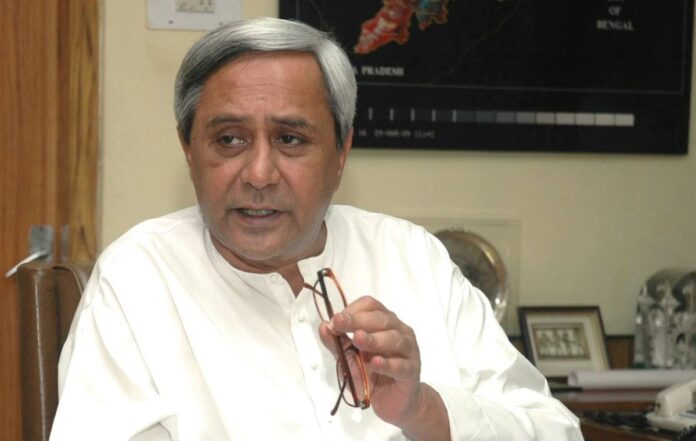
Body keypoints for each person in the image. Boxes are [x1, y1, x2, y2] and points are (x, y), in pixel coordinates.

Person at [51, 17, 582, 441]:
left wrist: (424, 410)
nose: (259, 174)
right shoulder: (138, 279)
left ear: (341, 151)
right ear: (189, 149)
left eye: (290, 139)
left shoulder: (413, 257)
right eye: (230, 139)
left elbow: (556, 431)